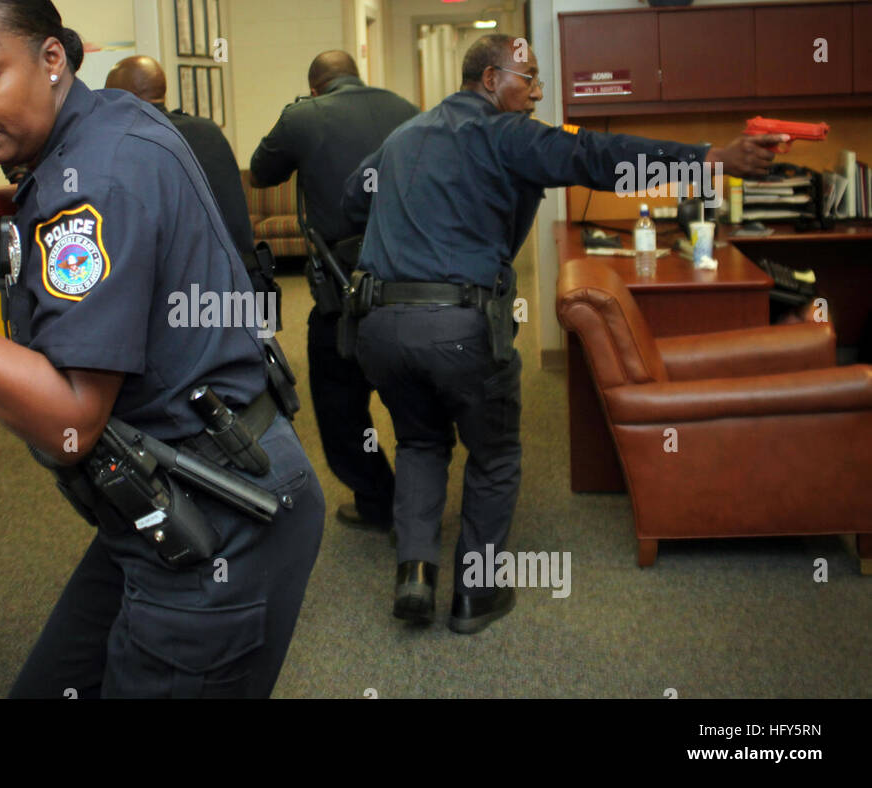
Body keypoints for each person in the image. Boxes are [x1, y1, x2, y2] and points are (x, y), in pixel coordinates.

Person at [0, 0, 324, 697]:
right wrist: (4, 235)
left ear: (54, 58)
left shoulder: (94, 179)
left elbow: (70, 420)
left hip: (223, 514)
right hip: (167, 497)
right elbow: (92, 293)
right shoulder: (111, 125)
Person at [343, 34, 786, 630]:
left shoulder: (400, 138)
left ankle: (415, 576)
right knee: (494, 452)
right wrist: (711, 160)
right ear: (492, 80)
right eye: (529, 81)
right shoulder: (507, 134)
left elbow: (352, 197)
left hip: (379, 330)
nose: (537, 94)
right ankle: (476, 595)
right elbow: (599, 158)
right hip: (458, 327)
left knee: (421, 441)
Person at [249, 50, 418, 532]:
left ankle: (377, 498)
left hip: (342, 288)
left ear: (316, 86)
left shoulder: (303, 115)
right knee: (410, 395)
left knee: (338, 401)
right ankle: (416, 499)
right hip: (408, 277)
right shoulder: (404, 108)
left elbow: (262, 173)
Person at [105, 55, 279, 322]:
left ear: (121, 95)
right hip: (245, 286)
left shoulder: (131, 140)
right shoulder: (207, 130)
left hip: (188, 303)